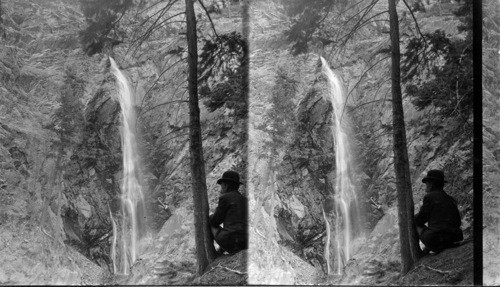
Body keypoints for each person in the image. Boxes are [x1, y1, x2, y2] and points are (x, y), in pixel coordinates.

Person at [414, 169, 463, 254]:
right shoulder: (450, 199)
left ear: (431, 184)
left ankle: (421, 251)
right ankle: (429, 248)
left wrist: (414, 217)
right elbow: (458, 222)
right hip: (453, 238)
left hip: (437, 239)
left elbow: (420, 219)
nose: (425, 186)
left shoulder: (429, 197)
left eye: (427, 183)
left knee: (414, 221)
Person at [209, 170, 248, 255]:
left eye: (222, 185)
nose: (221, 187)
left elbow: (215, 221)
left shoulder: (225, 198)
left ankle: (214, 253)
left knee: (210, 221)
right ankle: (221, 250)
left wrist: (211, 216)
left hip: (231, 242)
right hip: (245, 243)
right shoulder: (245, 200)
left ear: (226, 185)